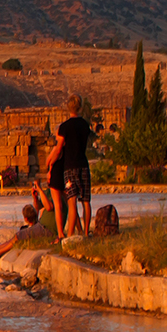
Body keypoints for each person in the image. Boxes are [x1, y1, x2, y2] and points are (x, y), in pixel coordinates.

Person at [53, 96, 94, 237]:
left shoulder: (64, 127)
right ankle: (86, 232)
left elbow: (59, 149)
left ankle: (70, 234)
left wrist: (51, 162)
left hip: (70, 167)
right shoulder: (85, 125)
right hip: (83, 164)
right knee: (86, 201)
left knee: (72, 201)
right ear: (80, 107)